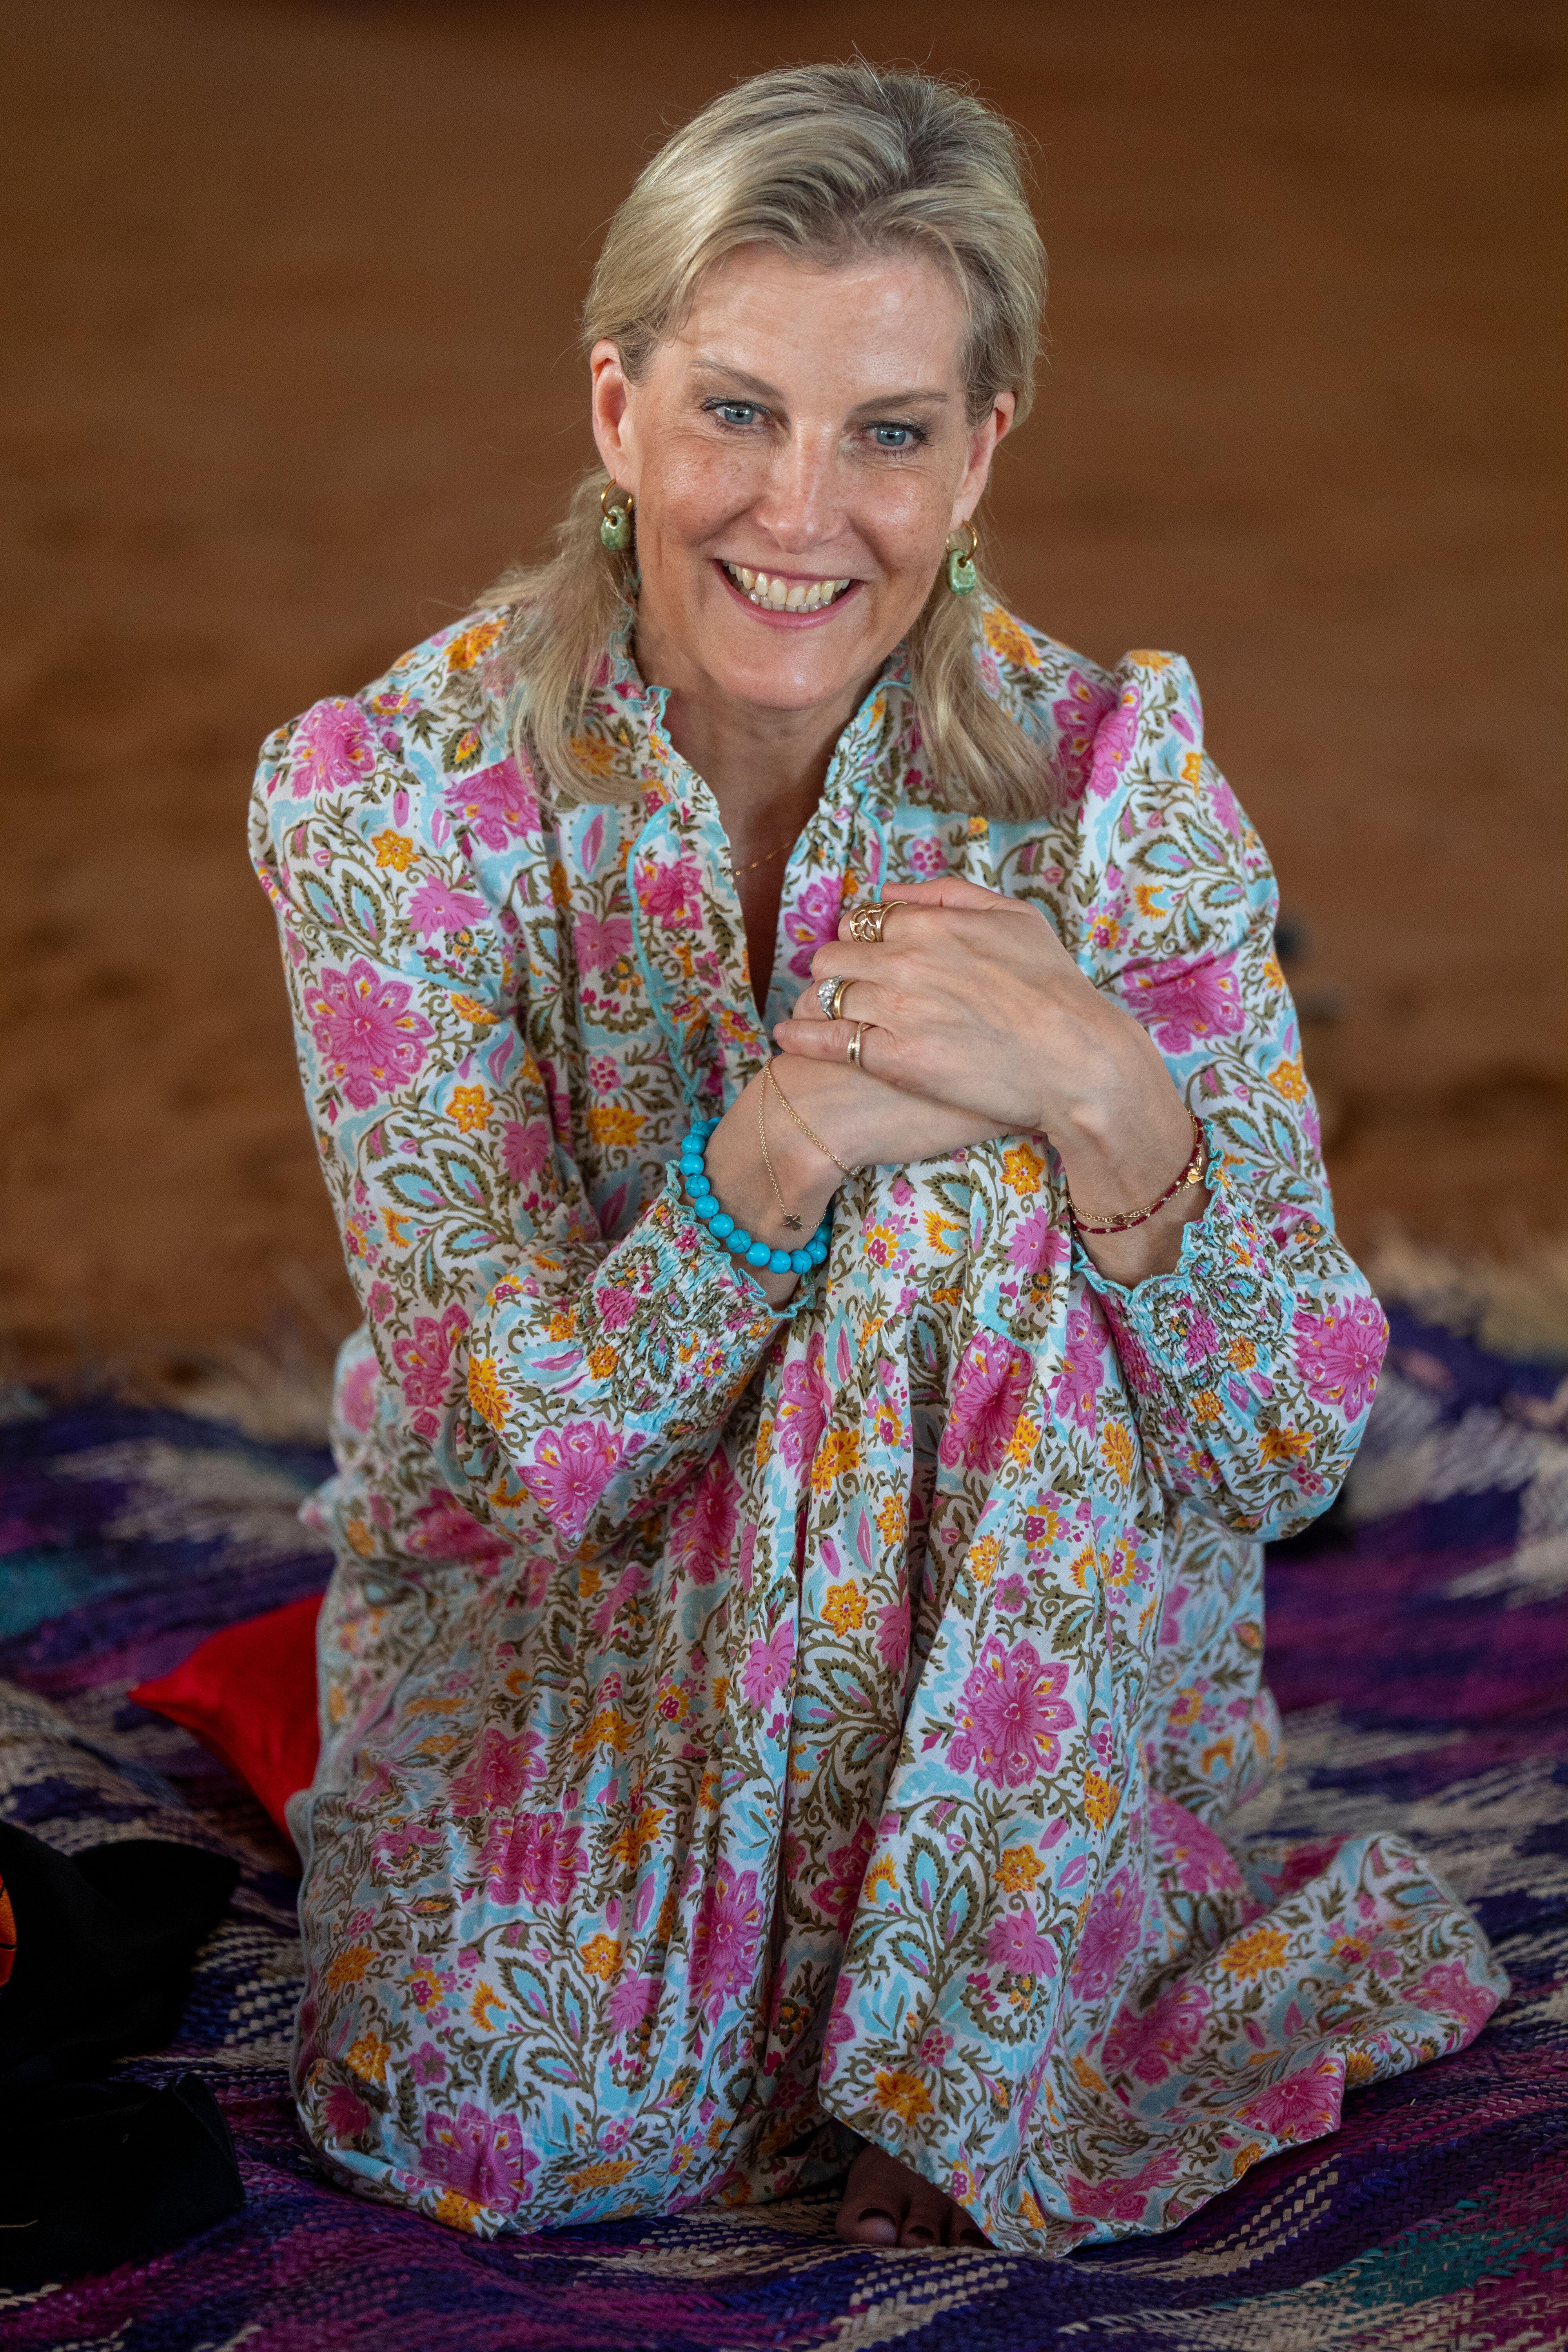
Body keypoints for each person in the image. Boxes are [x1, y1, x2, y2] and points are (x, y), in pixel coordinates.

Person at [250, 62, 1504, 2256]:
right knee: (500, 2123)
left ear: (983, 449)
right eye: (736, 412)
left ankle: (973, 2045)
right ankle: (885, 2018)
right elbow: (520, 1463)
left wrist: (1112, 1098)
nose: (803, 511)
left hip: (1028, 1702)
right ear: (618, 408)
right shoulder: (397, 807)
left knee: (972, 1202)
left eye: (890, 432)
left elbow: (1286, 1445)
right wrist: (778, 1147)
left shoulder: (1114, 791)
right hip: (583, 1631)